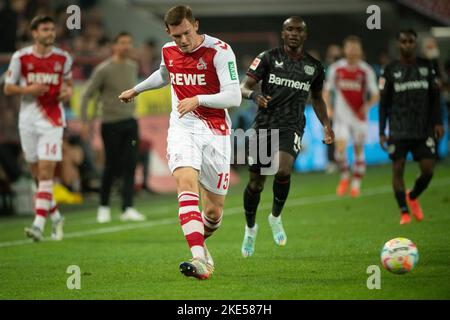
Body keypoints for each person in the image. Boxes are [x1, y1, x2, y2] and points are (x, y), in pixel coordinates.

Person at [118, 5, 241, 279]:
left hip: (216, 132)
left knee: (213, 210)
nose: (182, 41)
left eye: (186, 33)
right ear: (168, 33)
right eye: (176, 36)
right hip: (183, 128)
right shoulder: (168, 51)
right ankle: (199, 259)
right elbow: (164, 75)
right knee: (185, 183)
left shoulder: (220, 51)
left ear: (195, 24)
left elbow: (234, 97)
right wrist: (136, 89)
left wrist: (199, 99)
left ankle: (202, 243)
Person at [239, 16, 334, 258]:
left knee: (283, 170)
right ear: (283, 33)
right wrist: (253, 97)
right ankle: (250, 228)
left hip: (291, 126)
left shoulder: (314, 67)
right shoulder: (268, 57)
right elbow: (244, 87)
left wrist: (326, 125)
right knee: (256, 183)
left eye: (298, 30)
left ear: (305, 35)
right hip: (264, 125)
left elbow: (318, 98)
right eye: (289, 29)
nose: (294, 33)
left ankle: (275, 216)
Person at [3, 15, 73, 241]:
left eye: (52, 29)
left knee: (45, 175)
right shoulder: (21, 57)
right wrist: (28, 90)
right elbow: (8, 88)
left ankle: (37, 224)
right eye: (45, 29)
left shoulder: (63, 58)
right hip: (28, 121)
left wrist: (66, 92)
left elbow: (69, 86)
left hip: (52, 121)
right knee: (37, 178)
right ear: (34, 33)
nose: (50, 33)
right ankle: (56, 217)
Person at [379, 29, 444, 225]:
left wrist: (438, 122)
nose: (407, 44)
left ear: (415, 44)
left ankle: (413, 195)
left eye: (410, 41)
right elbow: (384, 104)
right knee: (397, 168)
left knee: (428, 169)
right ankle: (404, 212)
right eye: (404, 41)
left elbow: (435, 98)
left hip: (423, 128)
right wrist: (382, 131)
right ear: (398, 44)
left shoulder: (427, 66)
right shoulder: (389, 70)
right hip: (399, 129)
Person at [80, 32, 146, 223]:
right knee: (111, 165)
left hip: (130, 122)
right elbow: (86, 94)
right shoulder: (104, 69)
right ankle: (103, 206)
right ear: (114, 46)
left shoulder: (133, 66)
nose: (126, 46)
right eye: (122, 43)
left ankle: (128, 207)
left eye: (129, 43)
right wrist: (85, 121)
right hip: (110, 124)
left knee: (131, 164)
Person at [324, 36, 379, 197]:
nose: (353, 51)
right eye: (350, 47)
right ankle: (344, 176)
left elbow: (375, 94)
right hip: (341, 117)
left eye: (356, 48)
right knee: (339, 150)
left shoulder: (366, 70)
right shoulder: (336, 69)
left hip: (359, 118)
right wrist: (328, 108)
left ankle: (356, 185)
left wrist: (367, 106)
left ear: (360, 50)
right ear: (344, 49)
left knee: (358, 151)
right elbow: (327, 90)